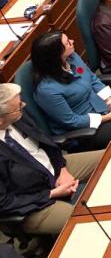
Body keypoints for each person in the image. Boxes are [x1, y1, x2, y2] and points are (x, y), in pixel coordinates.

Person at [0, 83, 104, 236]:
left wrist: (62, 169)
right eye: (19, 106)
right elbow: (4, 203)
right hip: (34, 202)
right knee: (87, 222)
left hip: (53, 167)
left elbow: (46, 142)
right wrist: (53, 193)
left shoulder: (17, 116)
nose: (24, 105)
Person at [30, 30, 111, 150]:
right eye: (67, 43)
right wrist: (108, 117)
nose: (72, 41)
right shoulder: (47, 90)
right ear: (57, 54)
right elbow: (71, 121)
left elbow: (92, 79)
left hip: (99, 103)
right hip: (85, 129)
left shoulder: (72, 57)